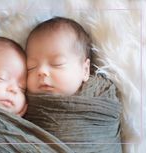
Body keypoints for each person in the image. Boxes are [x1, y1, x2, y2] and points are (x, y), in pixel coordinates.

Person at [24, 17, 122, 153]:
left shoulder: (102, 96)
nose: (41, 71)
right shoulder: (23, 104)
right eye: (31, 67)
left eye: (57, 63)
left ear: (85, 70)